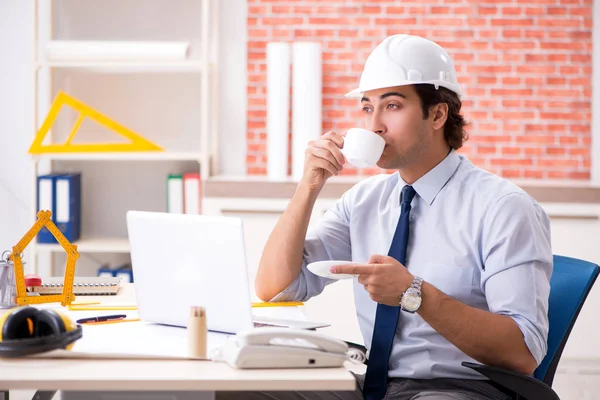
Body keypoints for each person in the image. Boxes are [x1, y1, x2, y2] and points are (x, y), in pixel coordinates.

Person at [218, 34, 552, 400]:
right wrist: (309, 185)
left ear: (438, 114)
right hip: (371, 383)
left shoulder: (503, 207)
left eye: (391, 106)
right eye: (366, 108)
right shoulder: (363, 201)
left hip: (460, 389)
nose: (374, 125)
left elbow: (522, 353)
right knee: (239, 392)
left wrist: (414, 294)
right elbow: (275, 288)